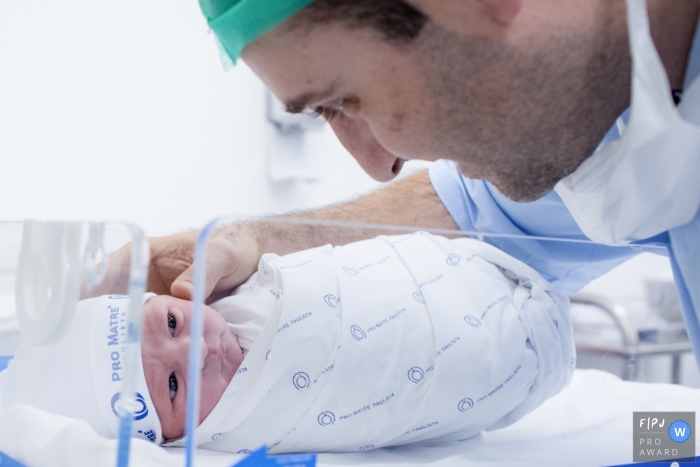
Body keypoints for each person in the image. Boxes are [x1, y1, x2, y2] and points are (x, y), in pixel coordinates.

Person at [107, 0, 700, 365]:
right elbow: (465, 213)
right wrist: (251, 241)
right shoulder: (621, 124)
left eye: (344, 100)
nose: (377, 162)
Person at [0, 233, 574, 452]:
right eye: (174, 386)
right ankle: (671, 435)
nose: (198, 350)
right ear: (169, 439)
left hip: (477, 267)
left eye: (173, 325)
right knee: (663, 433)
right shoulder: (235, 430)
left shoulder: (234, 288)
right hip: (512, 374)